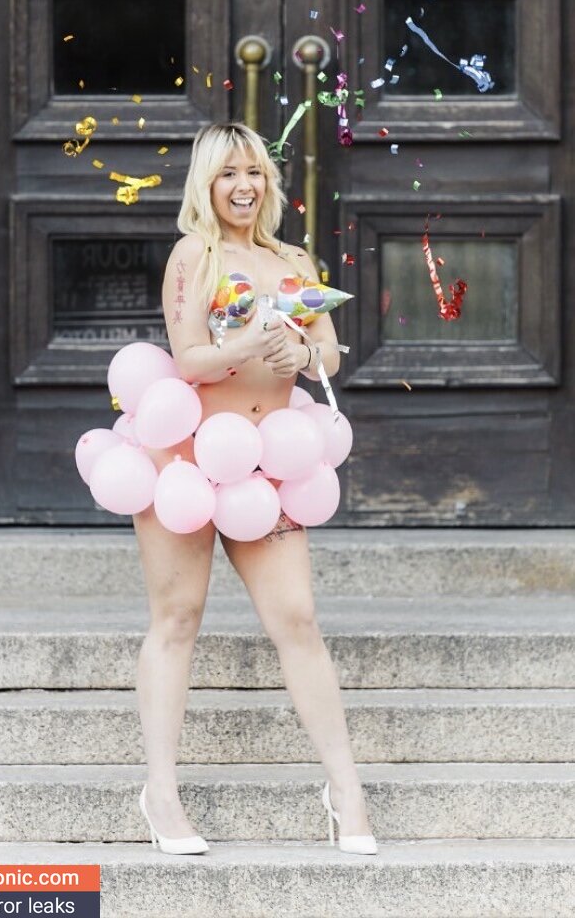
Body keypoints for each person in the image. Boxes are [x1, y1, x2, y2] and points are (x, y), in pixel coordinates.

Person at [134, 121, 377, 856]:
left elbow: (328, 352)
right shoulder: (195, 255)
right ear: (206, 184)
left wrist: (303, 353)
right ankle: (161, 793)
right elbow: (188, 358)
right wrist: (244, 345)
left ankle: (345, 790)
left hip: (266, 465)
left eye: (254, 172)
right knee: (178, 618)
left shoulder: (292, 260)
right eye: (227, 174)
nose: (244, 186)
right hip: (187, 458)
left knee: (297, 618)